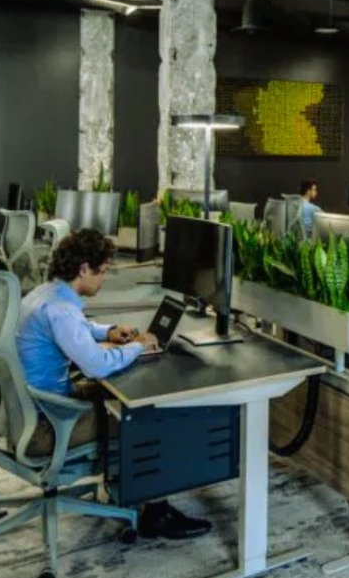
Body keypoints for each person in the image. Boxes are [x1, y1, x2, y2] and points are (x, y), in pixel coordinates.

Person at [15, 228, 213, 540]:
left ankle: (131, 488)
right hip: (51, 420)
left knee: (129, 396)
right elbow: (96, 365)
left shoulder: (45, 293)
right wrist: (138, 346)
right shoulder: (61, 311)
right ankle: (156, 514)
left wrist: (107, 332)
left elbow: (76, 328)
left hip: (30, 408)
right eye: (103, 271)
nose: (104, 279)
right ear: (84, 269)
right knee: (151, 414)